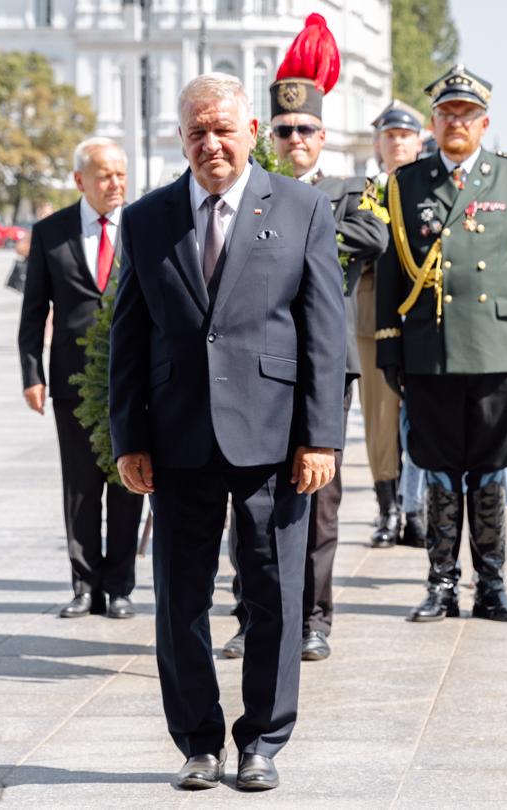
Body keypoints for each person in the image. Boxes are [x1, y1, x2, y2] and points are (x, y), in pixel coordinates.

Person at [108, 72, 344, 792]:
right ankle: (199, 742)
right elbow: (128, 334)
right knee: (180, 596)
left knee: (274, 589)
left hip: (274, 440)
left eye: (223, 129)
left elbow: (324, 333)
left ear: (250, 132)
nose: (211, 143)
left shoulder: (301, 208)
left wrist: (321, 438)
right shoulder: (147, 219)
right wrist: (128, 439)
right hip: (177, 439)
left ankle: (263, 741)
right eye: (196, 132)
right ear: (180, 139)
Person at [218, 14, 384, 665]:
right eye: (284, 130)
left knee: (318, 499)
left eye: (306, 130)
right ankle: (250, 612)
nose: (296, 141)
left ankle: (315, 616)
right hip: (254, 363)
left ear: (323, 134)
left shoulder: (346, 192)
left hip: (320, 365)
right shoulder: (247, 191)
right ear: (270, 133)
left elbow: (374, 241)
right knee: (248, 497)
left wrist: (303, 227)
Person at [374, 64, 507, 624]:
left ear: (484, 124)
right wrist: (390, 349)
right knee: (437, 469)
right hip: (433, 350)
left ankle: (492, 586)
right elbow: (390, 277)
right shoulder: (406, 183)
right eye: (448, 113)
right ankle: (441, 586)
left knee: (491, 467)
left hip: (498, 349)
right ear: (433, 121)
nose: (457, 123)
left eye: (467, 115)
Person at [18, 137, 147, 620]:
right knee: (80, 485)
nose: (115, 184)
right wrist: (32, 373)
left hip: (131, 380)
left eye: (120, 174)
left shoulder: (142, 226)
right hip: (72, 379)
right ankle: (84, 585)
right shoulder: (50, 233)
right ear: (80, 181)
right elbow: (34, 311)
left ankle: (119, 588)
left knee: (128, 480)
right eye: (104, 176)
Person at [358, 101, 427, 548]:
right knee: (380, 419)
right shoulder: (364, 191)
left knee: (421, 416)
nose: (397, 143)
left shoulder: (430, 189)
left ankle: (417, 507)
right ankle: (389, 509)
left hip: (421, 316)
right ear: (378, 143)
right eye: (389, 136)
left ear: (420, 140)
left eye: (405, 135)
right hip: (370, 316)